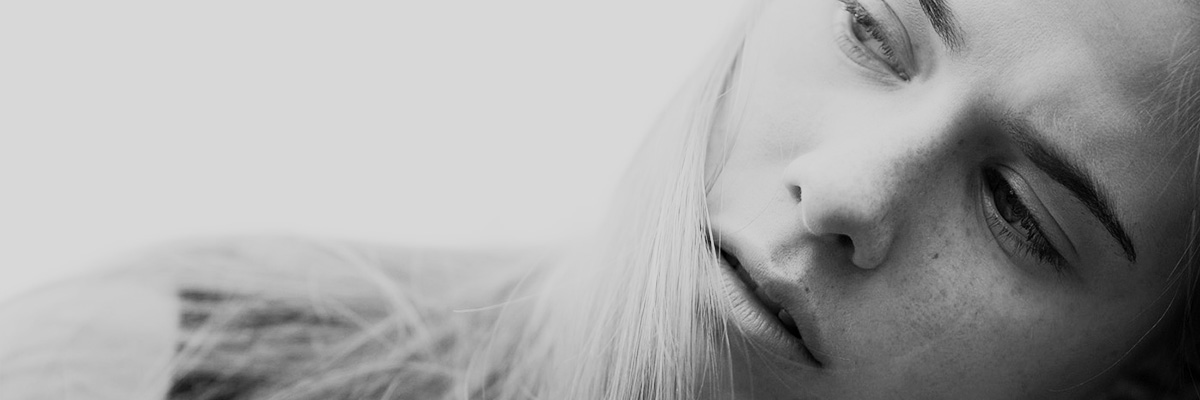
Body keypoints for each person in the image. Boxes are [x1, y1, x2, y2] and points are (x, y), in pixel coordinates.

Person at [2, 0, 1198, 398]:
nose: (842, 186)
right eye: (869, 28)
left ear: (1140, 374)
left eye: (1018, 212)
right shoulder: (158, 361)